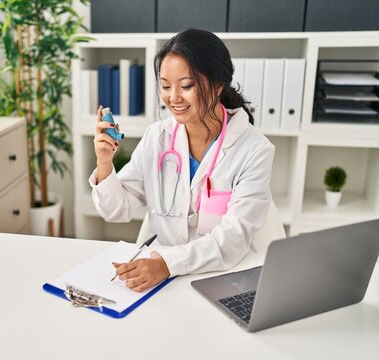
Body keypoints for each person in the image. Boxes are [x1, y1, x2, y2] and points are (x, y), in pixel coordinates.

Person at [89, 29, 275, 292]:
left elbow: (234, 239)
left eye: (186, 86)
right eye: (165, 86)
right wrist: (105, 162)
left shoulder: (254, 150)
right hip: (163, 281)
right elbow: (116, 210)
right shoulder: (157, 138)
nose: (173, 98)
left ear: (218, 84)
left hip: (222, 278)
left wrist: (167, 263)